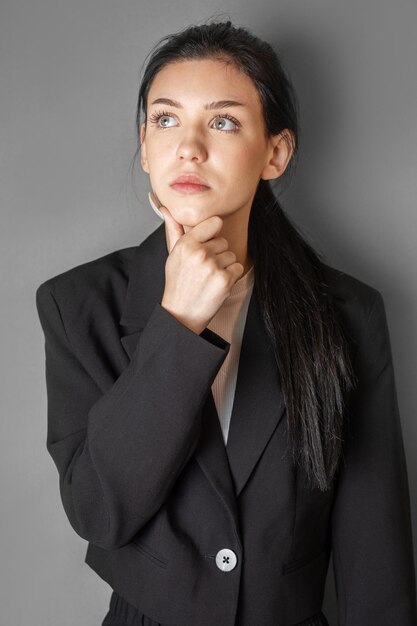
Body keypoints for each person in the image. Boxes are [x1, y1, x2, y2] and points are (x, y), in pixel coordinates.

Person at [35, 18, 417, 626]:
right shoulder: (76, 304)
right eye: (166, 119)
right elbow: (100, 511)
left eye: (223, 120)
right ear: (144, 145)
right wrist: (178, 321)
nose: (188, 146)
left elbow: (376, 560)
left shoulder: (349, 314)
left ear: (275, 153)